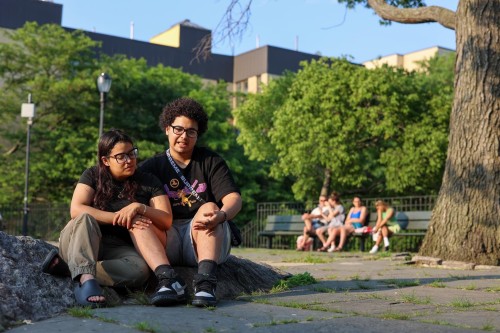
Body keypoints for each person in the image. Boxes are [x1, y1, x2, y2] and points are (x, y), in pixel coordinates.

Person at [41, 129, 180, 308]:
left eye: (132, 153)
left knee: (140, 271)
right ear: (105, 160)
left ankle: (70, 269)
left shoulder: (148, 181)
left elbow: (166, 219)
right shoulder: (92, 175)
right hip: (82, 239)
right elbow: (76, 209)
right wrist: (118, 217)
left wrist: (140, 208)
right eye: (121, 156)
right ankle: (86, 279)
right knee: (85, 218)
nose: (129, 160)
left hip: (118, 248)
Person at [139, 97, 242, 307]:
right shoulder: (151, 167)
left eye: (191, 132)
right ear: (167, 129)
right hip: (169, 236)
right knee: (138, 218)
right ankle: (168, 281)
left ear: (197, 134)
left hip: (204, 234)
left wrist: (221, 215)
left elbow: (234, 199)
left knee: (209, 207)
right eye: (178, 129)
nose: (184, 136)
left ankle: (205, 283)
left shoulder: (210, 161)